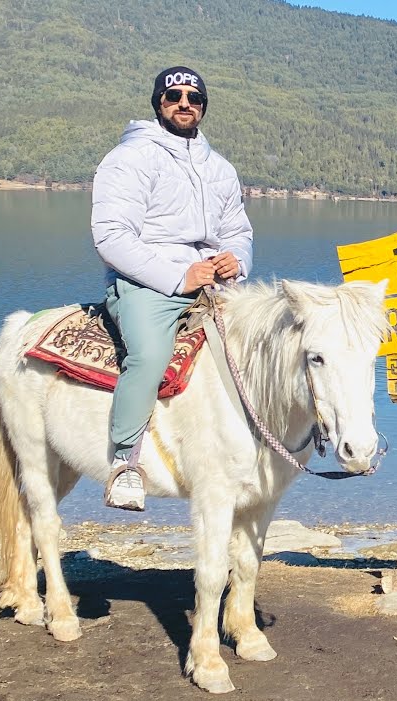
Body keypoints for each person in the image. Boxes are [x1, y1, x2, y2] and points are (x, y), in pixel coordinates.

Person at [92, 66, 254, 511]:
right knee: (148, 356)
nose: (185, 103)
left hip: (214, 281)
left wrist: (236, 258)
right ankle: (125, 462)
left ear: (203, 106)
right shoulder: (130, 158)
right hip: (147, 282)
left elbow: (238, 230)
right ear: (158, 103)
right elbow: (111, 236)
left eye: (194, 97)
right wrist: (179, 278)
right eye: (174, 96)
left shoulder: (219, 168)